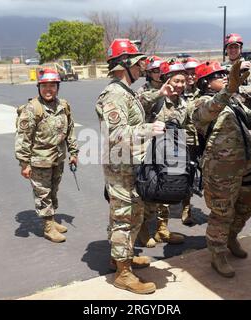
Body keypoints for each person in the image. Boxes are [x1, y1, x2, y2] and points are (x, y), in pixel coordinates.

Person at [95, 38, 165, 294]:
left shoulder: (125, 92)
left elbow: (136, 109)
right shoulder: (113, 94)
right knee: (125, 217)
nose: (141, 69)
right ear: (124, 64)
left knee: (132, 213)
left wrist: (160, 93)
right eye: (137, 63)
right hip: (121, 167)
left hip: (129, 165)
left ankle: (121, 258)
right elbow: (116, 133)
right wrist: (149, 128)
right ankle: (122, 273)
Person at [193, 60, 251, 278]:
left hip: (246, 165)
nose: (225, 77)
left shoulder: (234, 102)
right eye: (219, 76)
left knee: (247, 205)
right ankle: (217, 253)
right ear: (206, 83)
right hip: (221, 172)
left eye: (225, 74)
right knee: (222, 213)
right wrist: (230, 89)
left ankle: (231, 237)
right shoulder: (200, 102)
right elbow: (207, 113)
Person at [15, 68, 79, 243]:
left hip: (57, 159)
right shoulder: (32, 109)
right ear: (38, 87)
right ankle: (48, 227)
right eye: (44, 86)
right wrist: (24, 163)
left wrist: (74, 152)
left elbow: (70, 131)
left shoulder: (63, 106)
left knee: (53, 190)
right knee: (43, 193)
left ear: (58, 87)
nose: (48, 89)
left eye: (52, 85)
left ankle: (52, 219)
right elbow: (23, 138)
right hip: (39, 161)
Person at [137, 59, 192, 248]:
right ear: (166, 79)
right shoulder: (156, 97)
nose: (180, 85)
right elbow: (138, 105)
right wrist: (159, 93)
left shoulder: (184, 101)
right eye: (176, 80)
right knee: (151, 192)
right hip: (153, 151)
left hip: (174, 151)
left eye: (183, 81)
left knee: (168, 192)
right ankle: (143, 228)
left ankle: (162, 229)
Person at [180, 57, 202, 225]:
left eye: (193, 73)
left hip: (200, 139)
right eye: (187, 73)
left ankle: (188, 205)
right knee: (183, 173)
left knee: (195, 172)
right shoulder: (178, 91)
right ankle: (185, 208)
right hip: (183, 139)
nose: (190, 76)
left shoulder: (203, 90)